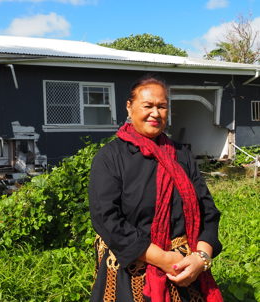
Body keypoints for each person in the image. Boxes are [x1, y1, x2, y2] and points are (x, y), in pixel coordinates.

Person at [88, 74, 223, 302]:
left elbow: (207, 210)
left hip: (184, 270)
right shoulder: (110, 157)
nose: (155, 113)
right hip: (130, 271)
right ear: (129, 107)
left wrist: (201, 258)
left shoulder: (182, 155)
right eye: (148, 105)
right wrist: (161, 258)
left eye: (162, 106)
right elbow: (106, 218)